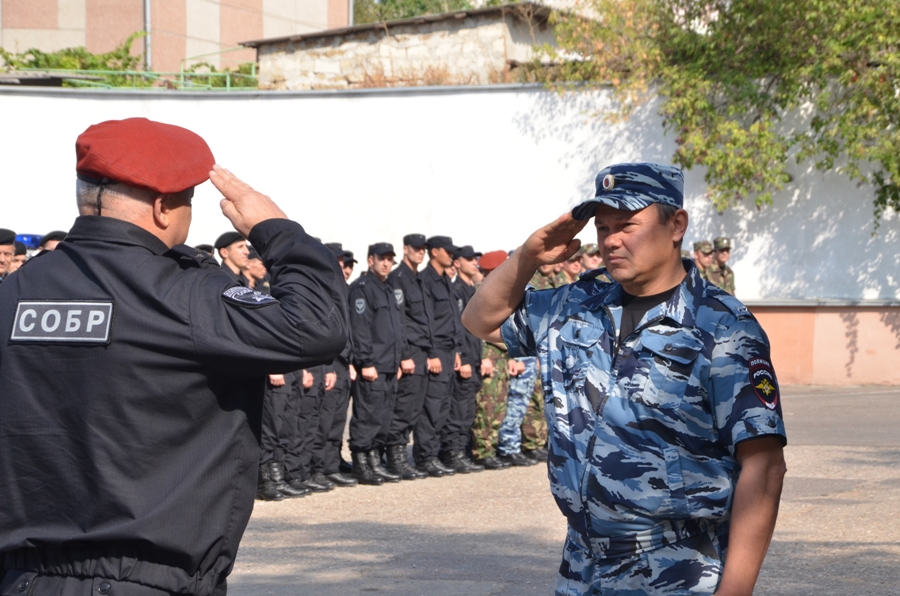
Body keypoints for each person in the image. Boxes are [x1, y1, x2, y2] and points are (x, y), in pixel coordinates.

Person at [0, 117, 348, 596]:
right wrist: (277, 229)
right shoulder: (184, 295)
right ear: (163, 208)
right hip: (143, 579)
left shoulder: (16, 291)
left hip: (21, 578)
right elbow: (316, 325)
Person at [462, 162, 787, 596]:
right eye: (603, 228)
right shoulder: (576, 304)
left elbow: (764, 465)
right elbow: (480, 321)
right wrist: (526, 258)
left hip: (676, 567)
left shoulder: (721, 327)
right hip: (582, 563)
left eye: (628, 225)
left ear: (676, 225)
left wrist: (735, 591)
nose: (611, 240)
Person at [347, 242, 405, 485]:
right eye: (382, 259)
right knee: (368, 415)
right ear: (370, 260)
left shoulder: (388, 288)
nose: (386, 264)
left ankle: (374, 460)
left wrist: (398, 360)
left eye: (390, 259)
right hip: (373, 365)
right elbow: (360, 329)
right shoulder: (362, 289)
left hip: (389, 364)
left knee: (383, 415)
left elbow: (396, 328)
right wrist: (366, 361)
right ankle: (361, 463)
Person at [413, 236, 463, 477]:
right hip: (437, 350)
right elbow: (427, 320)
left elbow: (451, 319)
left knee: (443, 406)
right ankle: (425, 457)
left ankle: (438, 453)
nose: (451, 255)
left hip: (449, 350)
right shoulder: (425, 280)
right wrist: (432, 353)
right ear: (434, 252)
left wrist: (457, 351)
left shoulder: (445, 280)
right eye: (447, 251)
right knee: (432, 406)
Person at [385, 233, 432, 480]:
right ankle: (395, 457)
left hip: (422, 351)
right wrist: (404, 354)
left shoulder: (418, 279)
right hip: (410, 351)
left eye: (423, 248)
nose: (421, 252)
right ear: (405, 249)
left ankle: (402, 455)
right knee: (404, 406)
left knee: (415, 407)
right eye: (416, 248)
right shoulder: (398, 278)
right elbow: (399, 320)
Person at [440, 245, 486, 473]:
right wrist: (463, 357)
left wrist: (481, 357)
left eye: (474, 259)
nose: (474, 263)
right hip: (465, 359)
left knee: (468, 410)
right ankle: (452, 452)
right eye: (469, 259)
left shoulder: (471, 290)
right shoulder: (455, 289)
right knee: (458, 409)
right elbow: (457, 328)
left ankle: (462, 450)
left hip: (475, 357)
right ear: (457, 263)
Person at [470, 250, 513, 471]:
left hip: (501, 356)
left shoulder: (498, 291)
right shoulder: (482, 292)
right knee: (486, 405)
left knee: (499, 405)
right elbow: (478, 329)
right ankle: (482, 450)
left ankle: (491, 448)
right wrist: (484, 356)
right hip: (489, 356)